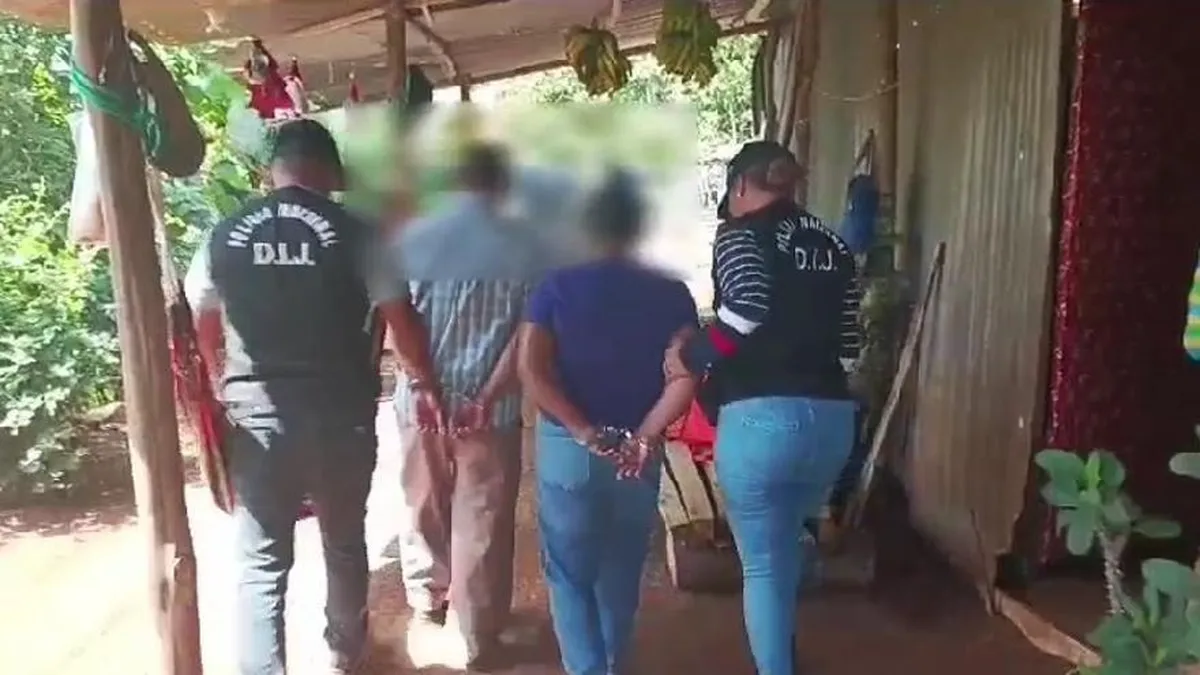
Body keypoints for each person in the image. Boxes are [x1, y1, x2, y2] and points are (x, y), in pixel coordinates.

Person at [185, 118, 438, 675]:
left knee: (261, 562)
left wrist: (222, 378)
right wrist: (425, 382)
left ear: (273, 171)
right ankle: (345, 651)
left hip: (257, 419)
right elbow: (401, 323)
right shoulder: (360, 235)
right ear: (328, 170)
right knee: (343, 540)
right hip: (340, 418)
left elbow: (203, 317)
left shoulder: (223, 234)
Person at [664, 141, 862, 675]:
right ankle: (788, 639)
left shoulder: (739, 234)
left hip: (761, 422)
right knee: (788, 538)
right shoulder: (832, 243)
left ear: (740, 186)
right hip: (833, 423)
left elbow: (746, 308)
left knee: (764, 566)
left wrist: (692, 354)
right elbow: (850, 344)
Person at [519, 169, 699, 675]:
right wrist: (645, 435)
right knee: (621, 573)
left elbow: (532, 370)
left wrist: (582, 430)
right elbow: (686, 377)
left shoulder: (556, 285)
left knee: (569, 574)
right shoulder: (672, 291)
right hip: (638, 455)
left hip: (571, 449)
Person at [390, 142, 555, 667]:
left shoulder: (414, 238)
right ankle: (477, 636)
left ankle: (427, 600)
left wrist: (424, 387)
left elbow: (398, 322)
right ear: (504, 186)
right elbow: (527, 336)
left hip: (421, 405)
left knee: (423, 502)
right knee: (482, 519)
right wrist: (488, 397)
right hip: (490, 411)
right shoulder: (529, 247)